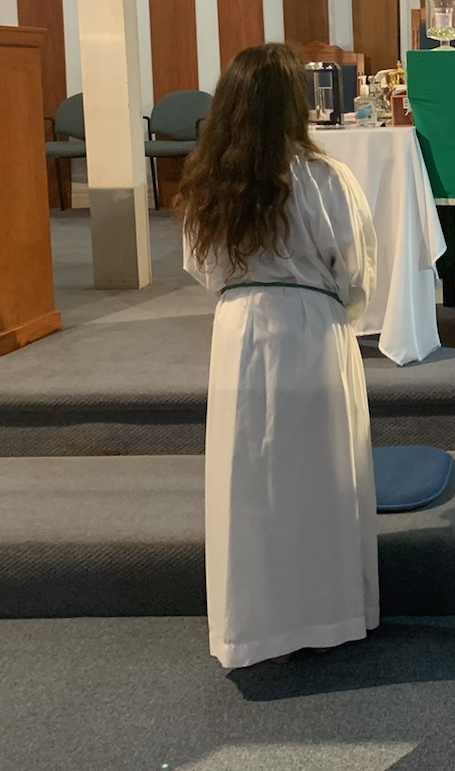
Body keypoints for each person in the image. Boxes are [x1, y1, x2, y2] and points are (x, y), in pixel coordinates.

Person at [177, 42, 380, 669]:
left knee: (250, 480)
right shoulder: (325, 178)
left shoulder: (210, 181)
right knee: (319, 475)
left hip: (240, 330)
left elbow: (201, 266)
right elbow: (356, 271)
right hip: (311, 329)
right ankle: (329, 612)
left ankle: (253, 625)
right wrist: (332, 310)